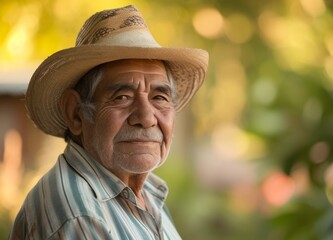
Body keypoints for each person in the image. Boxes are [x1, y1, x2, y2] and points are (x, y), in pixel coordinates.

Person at [9, 5, 208, 240]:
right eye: (122, 97)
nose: (146, 118)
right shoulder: (80, 215)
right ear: (76, 113)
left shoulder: (147, 194)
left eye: (159, 97)